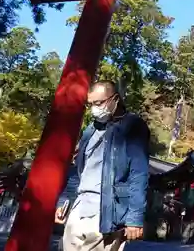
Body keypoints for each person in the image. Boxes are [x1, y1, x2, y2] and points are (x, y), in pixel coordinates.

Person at [55, 80, 150, 251]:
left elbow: (139, 174)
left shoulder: (133, 126)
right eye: (90, 104)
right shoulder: (91, 129)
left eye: (98, 103)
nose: (94, 109)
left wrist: (134, 218)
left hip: (108, 209)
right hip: (79, 206)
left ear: (115, 99)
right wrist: (64, 201)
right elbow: (78, 170)